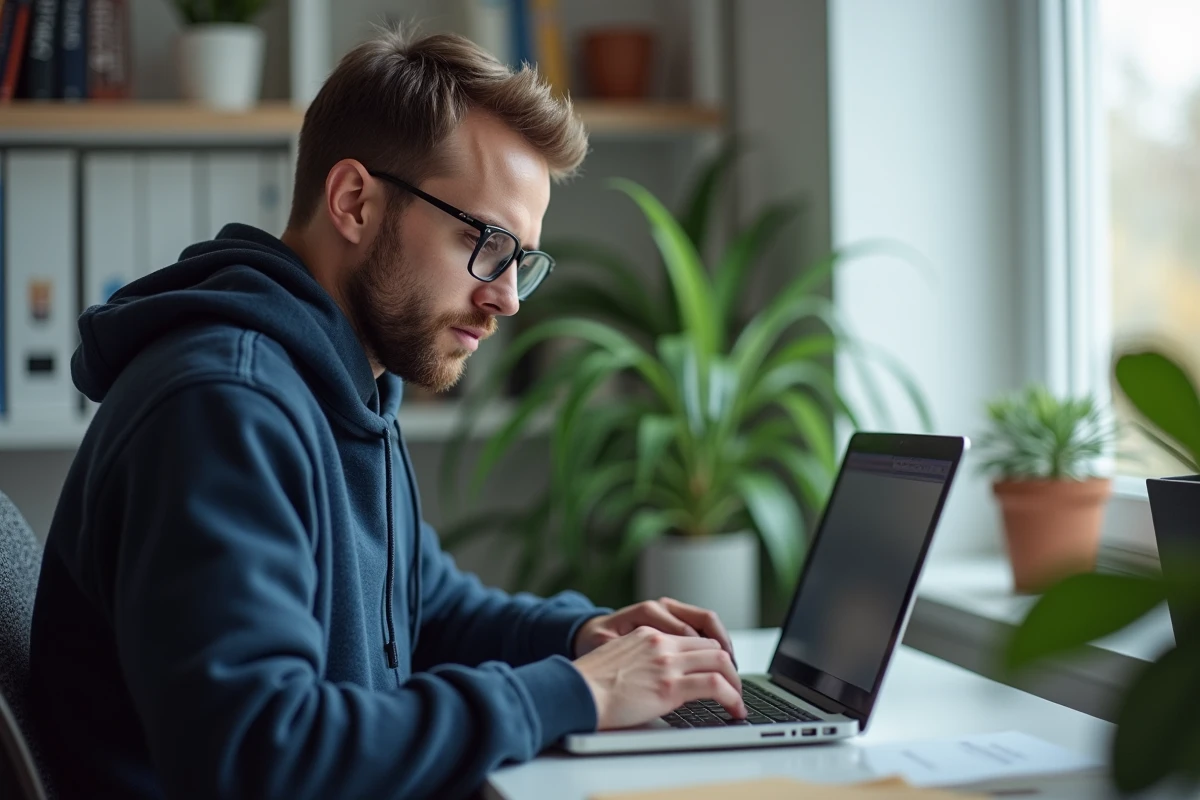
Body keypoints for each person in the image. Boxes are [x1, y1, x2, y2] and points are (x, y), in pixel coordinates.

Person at [28, 27, 748, 800]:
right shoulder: (223, 407)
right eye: (485, 241)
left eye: (523, 262)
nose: (505, 296)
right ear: (354, 202)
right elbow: (260, 753)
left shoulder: (346, 383)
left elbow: (422, 609)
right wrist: (583, 692)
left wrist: (581, 639)